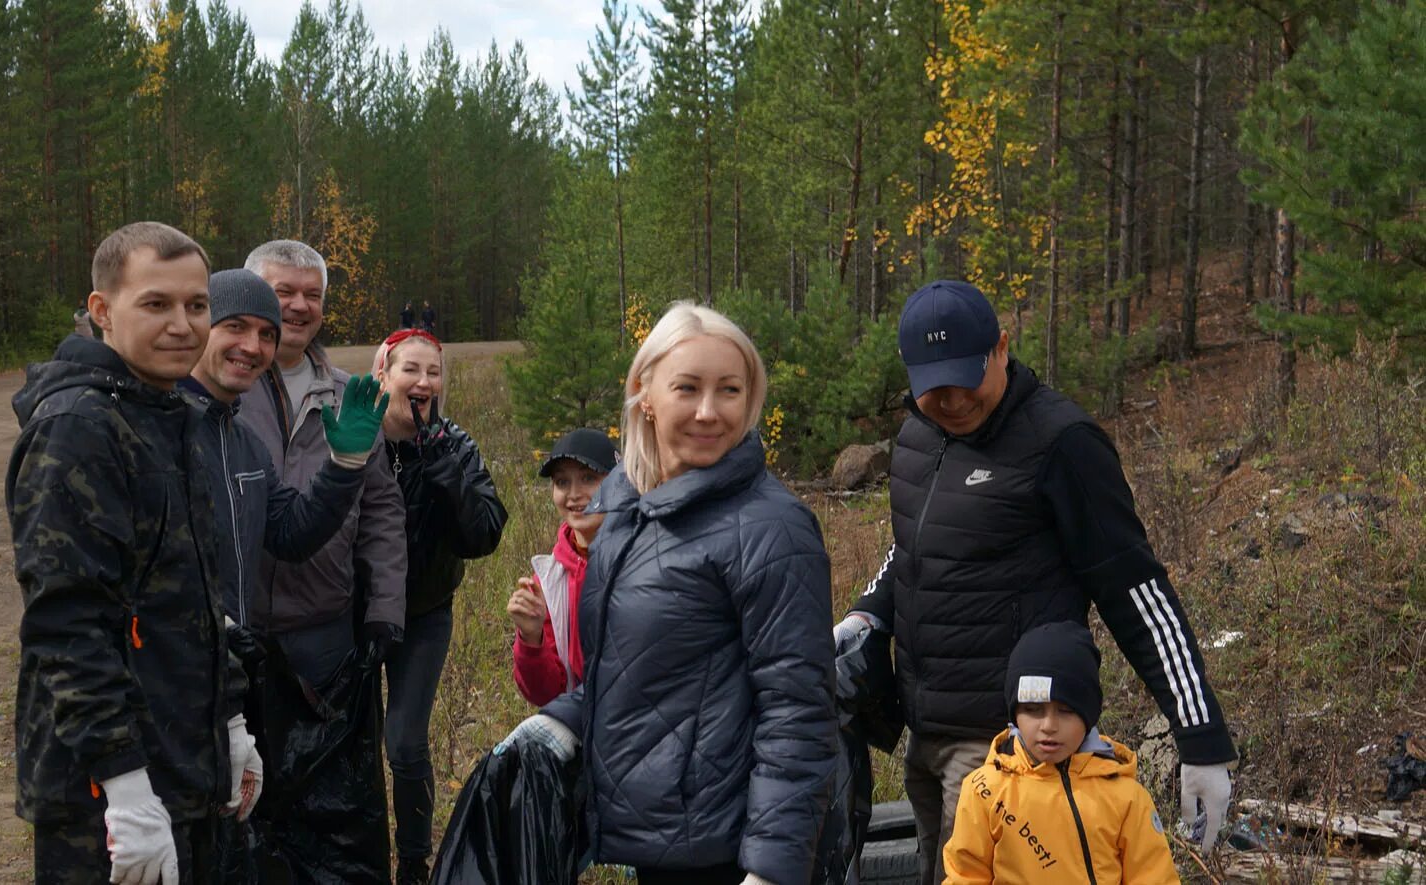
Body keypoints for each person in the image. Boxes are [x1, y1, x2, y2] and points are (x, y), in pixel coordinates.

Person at [833, 280, 1235, 885]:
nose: (952, 399)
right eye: (932, 386)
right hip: (926, 730)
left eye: (965, 377)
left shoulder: (1062, 444)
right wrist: (867, 613)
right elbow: (914, 547)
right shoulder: (917, 438)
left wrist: (1201, 737)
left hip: (1013, 747)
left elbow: (1136, 591)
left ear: (1000, 347)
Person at [499, 302, 839, 885]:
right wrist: (560, 720)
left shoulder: (771, 528)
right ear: (645, 393)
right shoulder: (627, 509)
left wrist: (771, 870)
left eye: (729, 390)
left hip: (725, 850)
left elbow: (797, 712)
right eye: (688, 387)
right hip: (660, 837)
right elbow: (627, 669)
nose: (709, 412)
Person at [7, 221, 256, 884]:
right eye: (156, 304)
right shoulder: (80, 429)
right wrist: (122, 782)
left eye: (196, 305)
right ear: (101, 311)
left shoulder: (170, 414)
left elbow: (198, 595)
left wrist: (229, 717)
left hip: (183, 761)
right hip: (108, 795)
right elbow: (67, 624)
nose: (182, 324)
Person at [234, 241, 409, 879]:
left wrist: (385, 608)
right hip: (237, 644)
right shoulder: (224, 391)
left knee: (334, 819)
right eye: (284, 292)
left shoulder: (349, 396)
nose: (299, 306)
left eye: (312, 294)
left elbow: (384, 511)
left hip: (326, 640)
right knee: (243, 812)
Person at [369, 327, 508, 885]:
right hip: (353, 615)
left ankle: (413, 864)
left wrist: (447, 474)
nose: (424, 381)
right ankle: (359, 852)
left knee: (403, 742)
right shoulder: (359, 437)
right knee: (351, 742)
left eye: (434, 371)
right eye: (411, 369)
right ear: (384, 373)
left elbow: (485, 535)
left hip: (424, 613)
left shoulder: (455, 443)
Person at [943, 622, 1178, 884]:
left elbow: (1154, 877)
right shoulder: (984, 790)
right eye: (1033, 710)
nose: (1048, 726)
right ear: (1015, 714)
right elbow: (965, 876)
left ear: (1088, 715)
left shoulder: (1127, 798)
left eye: (1065, 711)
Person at [507, 427, 619, 707]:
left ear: (618, 482)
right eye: (562, 482)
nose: (574, 494)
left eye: (589, 478)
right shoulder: (549, 579)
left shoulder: (641, 556)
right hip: (581, 731)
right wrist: (531, 638)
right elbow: (546, 695)